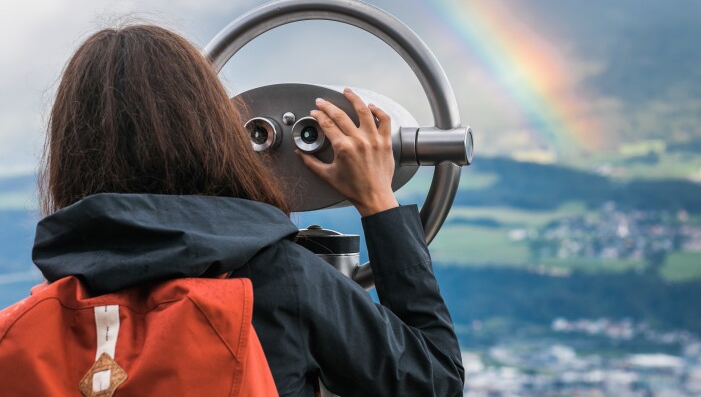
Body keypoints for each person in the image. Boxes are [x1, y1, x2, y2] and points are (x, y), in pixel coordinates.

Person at [28, 24, 464, 396]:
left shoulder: (48, 317)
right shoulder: (280, 279)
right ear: (210, 133)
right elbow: (434, 380)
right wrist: (377, 201)